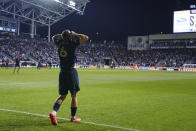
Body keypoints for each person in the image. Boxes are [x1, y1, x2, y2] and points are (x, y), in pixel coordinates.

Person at [49, 29, 88, 125]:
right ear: (70, 36)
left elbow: (53, 37)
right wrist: (75, 34)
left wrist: (62, 35)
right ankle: (73, 117)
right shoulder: (73, 43)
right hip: (71, 72)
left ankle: (53, 113)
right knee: (74, 95)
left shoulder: (59, 43)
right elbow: (85, 37)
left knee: (62, 95)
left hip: (62, 72)